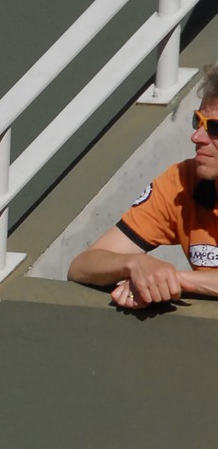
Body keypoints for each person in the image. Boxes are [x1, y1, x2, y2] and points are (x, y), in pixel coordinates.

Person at [68, 73, 218, 307]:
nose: (196, 136)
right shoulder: (181, 181)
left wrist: (171, 279)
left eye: (214, 128)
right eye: (197, 121)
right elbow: (83, 265)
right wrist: (134, 264)